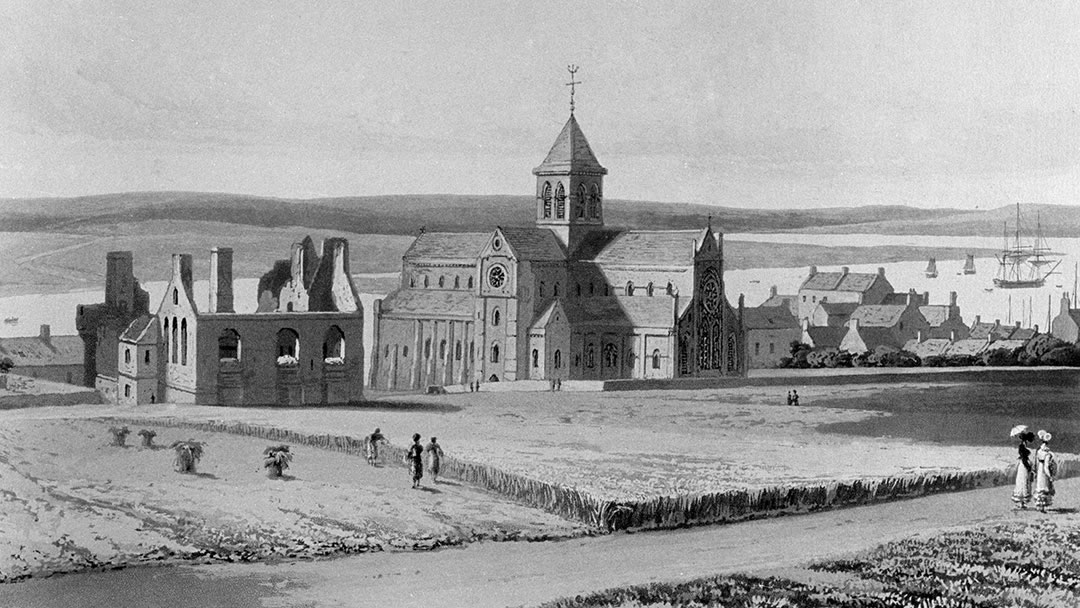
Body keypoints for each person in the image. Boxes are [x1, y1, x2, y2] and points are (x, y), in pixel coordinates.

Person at [1034, 430, 1057, 513]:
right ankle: (1043, 507)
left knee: (1039, 488)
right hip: (1043, 472)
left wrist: (1036, 472)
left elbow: (1036, 463)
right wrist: (1050, 476)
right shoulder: (1047, 454)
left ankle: (1040, 507)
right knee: (1045, 488)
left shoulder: (1038, 451)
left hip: (1039, 470)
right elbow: (1046, 467)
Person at [1012, 431, 1035, 509]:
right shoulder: (1022, 446)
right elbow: (1024, 458)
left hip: (1023, 465)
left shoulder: (1023, 445)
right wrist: (1028, 467)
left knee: (1024, 482)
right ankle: (1022, 503)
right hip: (1023, 466)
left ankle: (1022, 503)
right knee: (1023, 482)